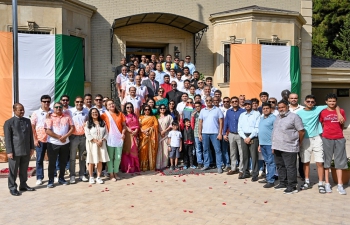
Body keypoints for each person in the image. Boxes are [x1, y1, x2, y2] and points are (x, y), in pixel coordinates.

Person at [296, 95, 344, 193]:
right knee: (305, 162)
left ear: (315, 103)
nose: (310, 103)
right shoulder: (299, 113)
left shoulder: (318, 108)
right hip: (305, 139)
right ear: (305, 102)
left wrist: (339, 114)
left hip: (317, 138)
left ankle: (321, 183)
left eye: (312, 102)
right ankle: (307, 181)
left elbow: (334, 105)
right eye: (308, 101)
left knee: (319, 162)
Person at [272, 100, 305, 194]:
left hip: (289, 147)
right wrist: (273, 145)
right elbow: (275, 131)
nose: (281, 109)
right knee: (280, 166)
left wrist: (299, 142)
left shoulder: (294, 117)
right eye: (279, 107)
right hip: (277, 146)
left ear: (287, 107)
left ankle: (292, 186)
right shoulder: (278, 117)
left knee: (290, 167)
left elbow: (301, 131)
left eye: (283, 107)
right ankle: (283, 183)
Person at [4, 103, 35, 196]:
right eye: (20, 110)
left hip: (26, 150)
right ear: (14, 110)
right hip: (14, 151)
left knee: (24, 169)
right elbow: (8, 138)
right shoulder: (9, 122)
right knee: (13, 170)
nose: (22, 112)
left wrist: (32, 147)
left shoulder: (27, 121)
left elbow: (30, 135)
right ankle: (12, 187)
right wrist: (9, 151)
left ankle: (23, 185)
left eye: (23, 110)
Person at [320, 93, 347, 195]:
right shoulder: (323, 112)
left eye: (334, 101)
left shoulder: (341, 111)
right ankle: (327, 183)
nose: (332, 103)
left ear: (336, 102)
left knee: (339, 161)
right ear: (326, 102)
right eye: (330, 101)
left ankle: (340, 185)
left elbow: (342, 124)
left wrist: (339, 114)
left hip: (339, 138)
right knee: (327, 161)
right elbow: (321, 124)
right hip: (327, 138)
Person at [45, 102, 74, 188]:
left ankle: (61, 178)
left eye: (60, 107)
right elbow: (47, 131)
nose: (58, 108)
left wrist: (65, 136)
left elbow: (72, 128)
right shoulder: (49, 117)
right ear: (53, 108)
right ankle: (51, 180)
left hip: (65, 143)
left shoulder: (67, 116)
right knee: (52, 162)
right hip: (53, 143)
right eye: (56, 107)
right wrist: (59, 137)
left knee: (63, 162)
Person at [101, 99, 126, 181]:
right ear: (107, 107)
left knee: (118, 157)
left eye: (112, 103)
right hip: (109, 138)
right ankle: (111, 174)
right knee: (110, 157)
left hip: (119, 137)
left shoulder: (120, 114)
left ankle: (116, 172)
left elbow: (124, 126)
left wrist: (123, 133)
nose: (111, 105)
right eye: (109, 104)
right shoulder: (104, 115)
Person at [31, 95, 53, 185]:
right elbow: (32, 127)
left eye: (48, 101)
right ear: (41, 102)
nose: (46, 103)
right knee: (39, 159)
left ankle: (53, 175)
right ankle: (39, 177)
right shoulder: (36, 113)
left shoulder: (53, 112)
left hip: (51, 139)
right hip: (40, 140)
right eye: (44, 101)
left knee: (52, 159)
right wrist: (35, 139)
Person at [198, 96, 224, 173]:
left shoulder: (217, 110)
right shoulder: (203, 110)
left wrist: (220, 133)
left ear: (212, 101)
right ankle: (206, 165)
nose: (209, 101)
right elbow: (200, 123)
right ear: (205, 101)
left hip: (215, 133)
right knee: (205, 150)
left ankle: (219, 166)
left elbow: (221, 122)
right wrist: (199, 133)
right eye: (207, 100)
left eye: (210, 100)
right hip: (205, 133)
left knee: (218, 150)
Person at [84, 108, 109, 184]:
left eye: (96, 112)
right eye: (93, 112)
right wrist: (95, 141)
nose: (95, 113)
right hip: (92, 144)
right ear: (90, 114)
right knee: (91, 161)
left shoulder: (102, 122)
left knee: (100, 160)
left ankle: (98, 177)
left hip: (101, 143)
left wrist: (101, 140)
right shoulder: (88, 123)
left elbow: (106, 133)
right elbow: (87, 134)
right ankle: (91, 177)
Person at [238, 100, 260, 181]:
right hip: (244, 136)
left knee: (254, 156)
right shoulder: (242, 115)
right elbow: (239, 128)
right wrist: (245, 137)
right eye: (246, 104)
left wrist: (249, 137)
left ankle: (255, 174)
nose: (247, 106)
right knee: (245, 156)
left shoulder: (256, 114)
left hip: (253, 136)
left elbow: (257, 127)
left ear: (251, 105)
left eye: (249, 104)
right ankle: (245, 172)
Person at [68, 96, 89, 183]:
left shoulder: (86, 111)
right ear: (74, 102)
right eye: (77, 102)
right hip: (73, 137)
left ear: (83, 102)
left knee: (82, 157)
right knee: (72, 157)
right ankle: (72, 175)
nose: (79, 103)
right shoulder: (70, 111)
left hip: (83, 137)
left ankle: (82, 174)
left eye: (81, 102)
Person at [223, 96, 245, 175]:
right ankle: (233, 168)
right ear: (231, 103)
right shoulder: (229, 111)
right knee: (232, 152)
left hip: (240, 134)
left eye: (236, 101)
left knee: (241, 152)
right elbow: (226, 122)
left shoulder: (243, 111)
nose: (234, 102)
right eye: (233, 101)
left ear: (238, 102)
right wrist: (224, 133)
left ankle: (241, 169)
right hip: (231, 134)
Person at [257, 103, 276, 188]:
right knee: (267, 162)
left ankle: (271, 180)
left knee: (271, 162)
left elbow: (276, 132)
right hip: (263, 144)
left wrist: (274, 145)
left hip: (270, 144)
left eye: (267, 108)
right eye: (263, 108)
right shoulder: (261, 118)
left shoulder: (274, 118)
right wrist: (259, 144)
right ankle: (268, 177)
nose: (265, 110)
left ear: (271, 109)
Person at [288, 93, 305, 181]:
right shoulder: (286, 109)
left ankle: (302, 174)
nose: (293, 99)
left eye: (295, 98)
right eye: (292, 98)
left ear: (298, 99)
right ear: (288, 99)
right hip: (289, 138)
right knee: (291, 158)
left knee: (302, 157)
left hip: (301, 136)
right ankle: (292, 175)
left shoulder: (302, 109)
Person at [120, 103, 140, 173]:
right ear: (125, 108)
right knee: (128, 150)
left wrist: (136, 131)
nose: (129, 109)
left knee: (134, 149)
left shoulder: (135, 116)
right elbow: (124, 125)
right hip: (127, 134)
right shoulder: (123, 116)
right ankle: (127, 167)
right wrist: (130, 131)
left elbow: (137, 125)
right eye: (127, 107)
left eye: (130, 107)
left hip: (134, 134)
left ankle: (134, 167)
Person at [139, 105, 159, 171]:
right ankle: (143, 166)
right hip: (142, 135)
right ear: (143, 110)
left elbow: (156, 126)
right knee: (143, 150)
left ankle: (150, 166)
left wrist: (149, 129)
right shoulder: (140, 117)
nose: (147, 111)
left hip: (150, 136)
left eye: (148, 109)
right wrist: (143, 131)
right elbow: (138, 126)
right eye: (145, 109)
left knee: (150, 150)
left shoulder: (153, 117)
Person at [156, 104, 173, 170]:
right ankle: (158, 165)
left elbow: (171, 125)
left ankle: (165, 164)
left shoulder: (169, 116)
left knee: (166, 149)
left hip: (166, 135)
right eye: (161, 108)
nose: (162, 109)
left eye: (163, 108)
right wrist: (160, 132)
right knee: (159, 150)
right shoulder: (157, 117)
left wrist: (164, 131)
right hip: (158, 134)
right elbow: (155, 125)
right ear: (159, 109)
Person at [192, 101, 204, 168]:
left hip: (204, 132)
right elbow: (192, 124)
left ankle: (207, 162)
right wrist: (192, 117)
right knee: (198, 149)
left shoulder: (204, 112)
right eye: (196, 106)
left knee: (205, 148)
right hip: (196, 132)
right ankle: (199, 162)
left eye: (198, 106)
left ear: (201, 106)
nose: (197, 108)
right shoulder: (194, 113)